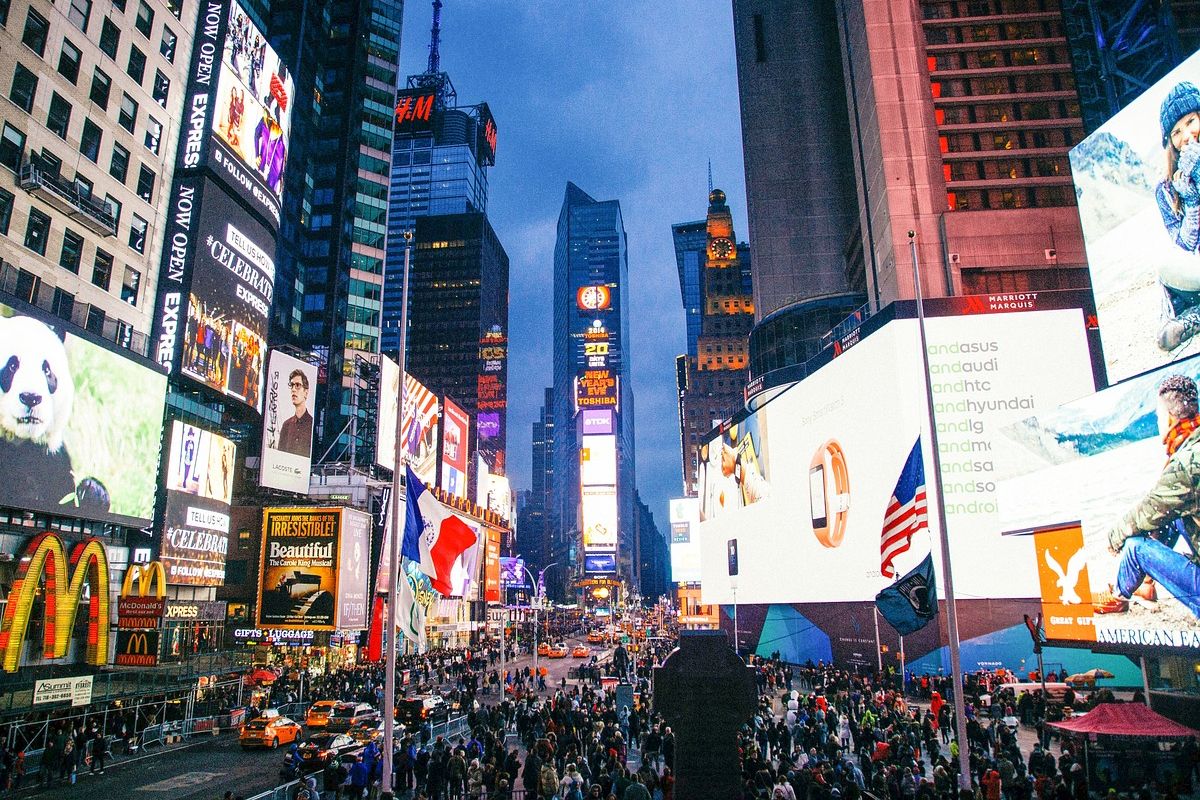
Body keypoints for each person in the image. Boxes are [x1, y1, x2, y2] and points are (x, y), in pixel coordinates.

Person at [1106, 374, 1200, 618]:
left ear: (1169, 418)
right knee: (1172, 516)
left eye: (1158, 416)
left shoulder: (1186, 465)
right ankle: (1146, 585)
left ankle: (1118, 595)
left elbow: (1146, 512)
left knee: (1135, 547)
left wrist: (1113, 537)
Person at [1155, 81, 1200, 350]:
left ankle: (1193, 320)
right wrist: (1192, 202)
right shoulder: (1165, 189)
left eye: (1191, 121)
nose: (1185, 135)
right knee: (1164, 264)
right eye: (1176, 131)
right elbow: (1184, 247)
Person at [276, 369, 313, 456]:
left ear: (306, 392)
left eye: (297, 385)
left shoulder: (312, 424)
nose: (293, 390)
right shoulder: (286, 425)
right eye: (292, 385)